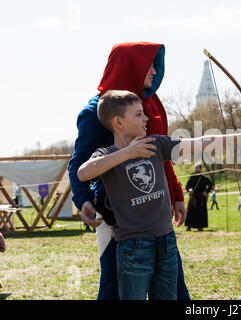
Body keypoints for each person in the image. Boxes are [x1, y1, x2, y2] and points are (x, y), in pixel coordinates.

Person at [77, 90, 241, 299]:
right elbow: (84, 172)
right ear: (119, 123)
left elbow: (200, 142)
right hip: (133, 246)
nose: (145, 118)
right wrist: (128, 153)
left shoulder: (156, 144)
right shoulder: (106, 155)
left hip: (166, 239)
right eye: (138, 114)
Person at [67, 42, 190, 300]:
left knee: (175, 291)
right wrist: (83, 199)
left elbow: (160, 155)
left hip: (155, 220)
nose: (155, 72)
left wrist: (176, 193)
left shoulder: (149, 104)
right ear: (132, 67)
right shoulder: (96, 112)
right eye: (149, 66)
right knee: (114, 291)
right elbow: (79, 163)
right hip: (118, 219)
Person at [185, 163, 213, 232]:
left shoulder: (204, 178)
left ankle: (200, 227)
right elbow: (187, 186)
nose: (195, 169)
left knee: (200, 213)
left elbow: (210, 185)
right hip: (193, 197)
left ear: (200, 169)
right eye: (195, 168)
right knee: (190, 212)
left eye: (197, 168)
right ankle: (189, 226)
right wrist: (189, 189)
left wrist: (206, 191)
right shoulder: (191, 177)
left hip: (201, 198)